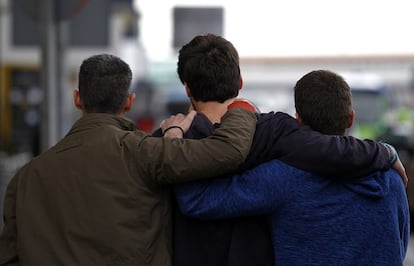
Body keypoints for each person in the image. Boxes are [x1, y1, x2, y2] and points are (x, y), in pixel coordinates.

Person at [152, 33, 407, 266]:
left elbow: (198, 201)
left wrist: (174, 139)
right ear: (351, 119)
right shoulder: (394, 180)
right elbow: (400, 242)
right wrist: (385, 151)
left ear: (298, 118)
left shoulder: (283, 177)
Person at [0, 54, 260, 266]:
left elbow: (10, 256)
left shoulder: (25, 178)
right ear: (129, 102)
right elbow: (228, 150)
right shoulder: (144, 153)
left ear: (77, 99)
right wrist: (242, 108)